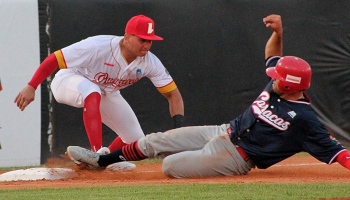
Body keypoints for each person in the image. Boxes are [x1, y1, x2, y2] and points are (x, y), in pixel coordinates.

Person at [66, 14, 350, 178]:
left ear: (290, 86)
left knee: (169, 166)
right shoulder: (281, 83)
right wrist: (279, 32)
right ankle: (101, 160)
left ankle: (196, 159)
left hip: (237, 156)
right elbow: (273, 56)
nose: (271, 78)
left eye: (277, 78)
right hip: (224, 130)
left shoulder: (304, 118)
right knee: (155, 140)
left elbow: (339, 153)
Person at [14, 15, 185, 171]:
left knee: (135, 140)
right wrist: (32, 86)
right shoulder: (98, 46)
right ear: (127, 37)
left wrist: (179, 132)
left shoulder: (150, 62)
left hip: (106, 92)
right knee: (92, 90)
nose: (147, 45)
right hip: (69, 79)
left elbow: (173, 95)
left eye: (150, 41)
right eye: (142, 40)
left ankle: (103, 159)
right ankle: (95, 152)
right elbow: (55, 58)